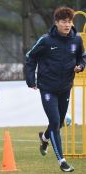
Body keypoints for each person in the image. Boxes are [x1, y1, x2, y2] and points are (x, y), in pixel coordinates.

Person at [25, 7, 86, 172]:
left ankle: (44, 137)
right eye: (64, 22)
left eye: (69, 22)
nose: (67, 25)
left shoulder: (77, 40)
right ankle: (62, 161)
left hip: (65, 87)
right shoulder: (45, 40)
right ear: (57, 23)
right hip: (47, 88)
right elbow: (30, 57)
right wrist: (31, 80)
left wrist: (80, 65)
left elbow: (82, 56)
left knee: (58, 123)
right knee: (55, 121)